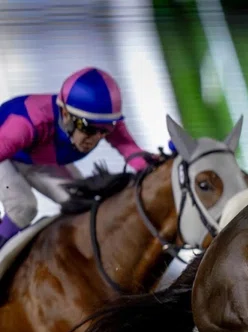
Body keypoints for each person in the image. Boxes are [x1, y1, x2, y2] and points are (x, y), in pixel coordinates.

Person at [0, 67, 151, 250]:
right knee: (22, 207)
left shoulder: (104, 119)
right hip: (6, 152)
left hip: (35, 156)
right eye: (87, 127)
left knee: (84, 204)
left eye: (104, 130)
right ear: (65, 114)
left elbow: (131, 151)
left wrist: (152, 170)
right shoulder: (25, 125)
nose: (95, 138)